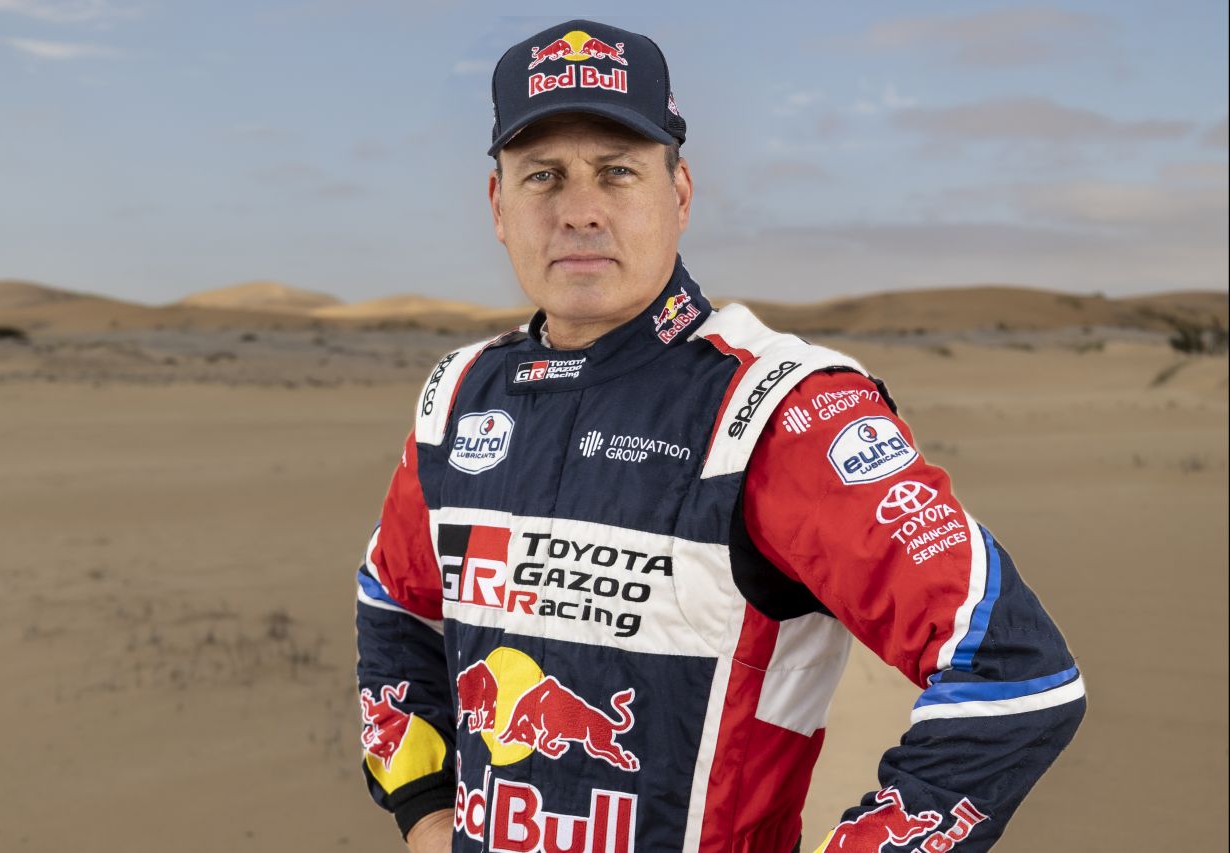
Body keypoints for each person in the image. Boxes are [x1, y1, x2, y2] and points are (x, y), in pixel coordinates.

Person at [354, 19, 1085, 853]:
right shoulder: (458, 397)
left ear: (680, 193)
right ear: (498, 205)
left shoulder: (784, 408)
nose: (579, 211)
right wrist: (423, 811)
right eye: (543, 176)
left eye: (617, 172)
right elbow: (391, 599)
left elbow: (1015, 678)